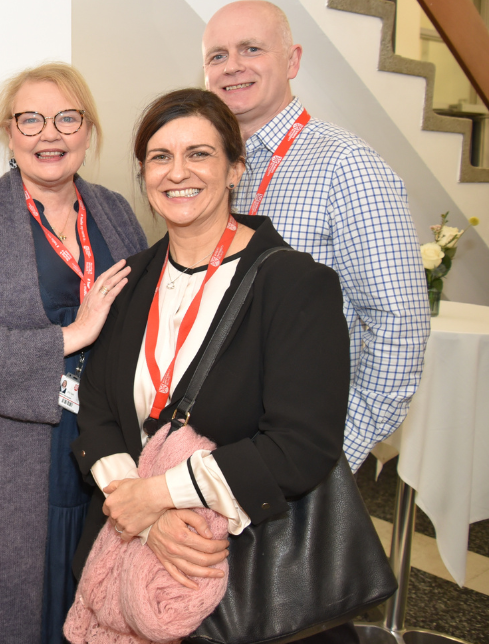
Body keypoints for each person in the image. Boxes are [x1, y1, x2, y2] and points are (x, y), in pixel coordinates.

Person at [70, 88, 350, 643]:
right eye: (160, 156)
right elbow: (98, 407)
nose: (178, 173)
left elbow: (300, 446)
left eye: (199, 153)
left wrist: (159, 497)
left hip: (237, 569)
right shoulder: (128, 281)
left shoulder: (294, 284)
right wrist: (141, 513)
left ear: (235, 169)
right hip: (129, 555)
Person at [0, 63, 148, 643]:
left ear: (88, 132)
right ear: (9, 134)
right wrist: (71, 337)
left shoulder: (117, 211)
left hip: (107, 444)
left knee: (101, 597)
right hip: (10, 456)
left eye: (66, 118)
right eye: (31, 119)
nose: (49, 135)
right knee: (8, 611)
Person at [202, 0, 429, 470]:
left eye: (251, 48)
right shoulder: (212, 168)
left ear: (293, 60)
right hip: (217, 443)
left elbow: (399, 324)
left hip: (298, 451)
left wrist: (332, 450)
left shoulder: (346, 165)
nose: (233, 67)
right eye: (217, 55)